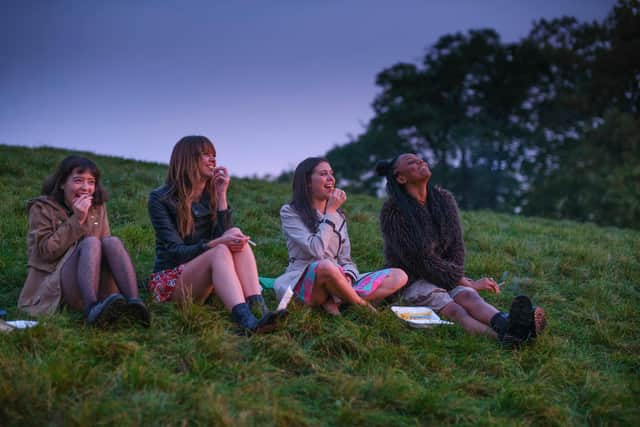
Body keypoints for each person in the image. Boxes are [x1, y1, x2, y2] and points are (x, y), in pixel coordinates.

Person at [376, 153, 546, 345]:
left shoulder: (444, 200)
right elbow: (419, 259)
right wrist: (464, 280)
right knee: (456, 310)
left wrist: (461, 281)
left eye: (420, 158)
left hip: (444, 275)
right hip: (412, 279)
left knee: (469, 298)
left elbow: (456, 246)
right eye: (411, 162)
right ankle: (504, 340)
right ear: (401, 177)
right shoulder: (394, 211)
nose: (420, 161)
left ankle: (509, 324)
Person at [147, 135, 285, 333]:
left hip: (205, 277)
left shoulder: (211, 194)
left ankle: (259, 309)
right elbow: (174, 252)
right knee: (219, 250)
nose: (213, 160)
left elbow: (226, 235)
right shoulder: (160, 198)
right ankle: (246, 322)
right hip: (170, 281)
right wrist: (217, 244)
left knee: (235, 234)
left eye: (214, 155)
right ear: (187, 158)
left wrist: (221, 195)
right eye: (206, 154)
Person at [18, 155, 150, 326]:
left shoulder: (98, 207)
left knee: (112, 242)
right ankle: (91, 310)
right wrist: (77, 220)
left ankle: (135, 305)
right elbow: (45, 252)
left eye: (91, 182)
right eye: (78, 180)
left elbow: (103, 251)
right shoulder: (41, 208)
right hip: (58, 285)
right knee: (91, 243)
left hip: (95, 282)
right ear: (62, 183)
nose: (86, 188)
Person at [274, 157, 408, 315]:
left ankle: (337, 300)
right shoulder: (290, 211)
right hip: (305, 282)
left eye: (331, 173)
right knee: (325, 266)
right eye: (323, 174)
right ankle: (360, 305)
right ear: (308, 181)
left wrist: (348, 277)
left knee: (399, 275)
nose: (331, 178)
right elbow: (315, 249)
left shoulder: (339, 216)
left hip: (338, 279)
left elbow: (346, 260)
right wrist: (329, 213)